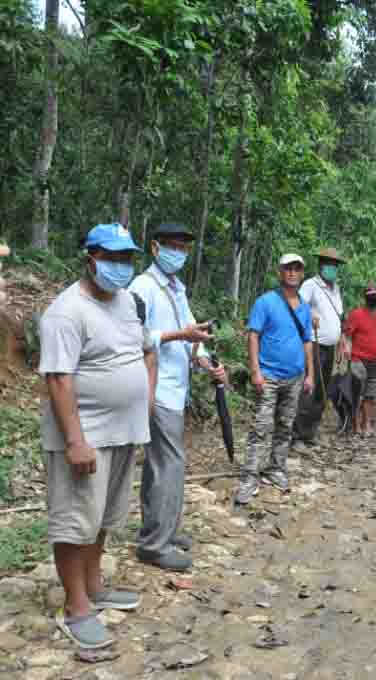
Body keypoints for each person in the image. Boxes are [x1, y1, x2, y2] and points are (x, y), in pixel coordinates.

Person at [39, 223, 157, 649]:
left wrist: (144, 403)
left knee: (104, 516)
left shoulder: (126, 302)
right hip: (86, 436)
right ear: (90, 259)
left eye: (126, 258)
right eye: (111, 258)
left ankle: (94, 586)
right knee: (75, 521)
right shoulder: (66, 312)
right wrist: (75, 441)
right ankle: (76, 607)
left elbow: (146, 350)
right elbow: (58, 378)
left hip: (123, 433)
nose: (120, 266)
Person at [128, 223, 227, 572]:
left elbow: (191, 333)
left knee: (164, 464)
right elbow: (135, 335)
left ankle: (163, 530)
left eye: (184, 248)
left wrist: (206, 361)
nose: (178, 253)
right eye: (172, 246)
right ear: (155, 248)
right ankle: (154, 545)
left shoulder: (176, 288)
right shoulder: (142, 287)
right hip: (157, 388)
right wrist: (179, 335)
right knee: (168, 464)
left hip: (175, 387)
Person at [235, 255, 314, 505]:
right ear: (280, 272)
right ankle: (250, 477)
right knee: (261, 427)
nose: (292, 273)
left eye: (297, 269)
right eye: (288, 269)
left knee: (285, 426)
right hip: (268, 375)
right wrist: (255, 371)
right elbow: (253, 335)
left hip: (294, 376)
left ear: (302, 274)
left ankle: (276, 469)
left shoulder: (304, 307)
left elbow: (307, 341)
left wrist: (310, 374)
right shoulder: (266, 302)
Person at [292, 247, 346, 453]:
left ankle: (310, 433)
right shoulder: (311, 285)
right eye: (329, 264)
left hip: (330, 346)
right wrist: (309, 316)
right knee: (309, 388)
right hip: (313, 344)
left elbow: (339, 316)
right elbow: (297, 305)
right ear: (321, 265)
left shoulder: (336, 288)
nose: (332, 268)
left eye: (335, 265)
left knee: (321, 391)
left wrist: (341, 339)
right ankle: (297, 436)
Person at [344, 283, 376, 436]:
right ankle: (356, 423)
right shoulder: (356, 314)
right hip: (359, 359)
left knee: (371, 394)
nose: (374, 297)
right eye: (371, 295)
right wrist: (346, 348)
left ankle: (367, 423)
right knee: (357, 393)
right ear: (366, 297)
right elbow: (347, 334)